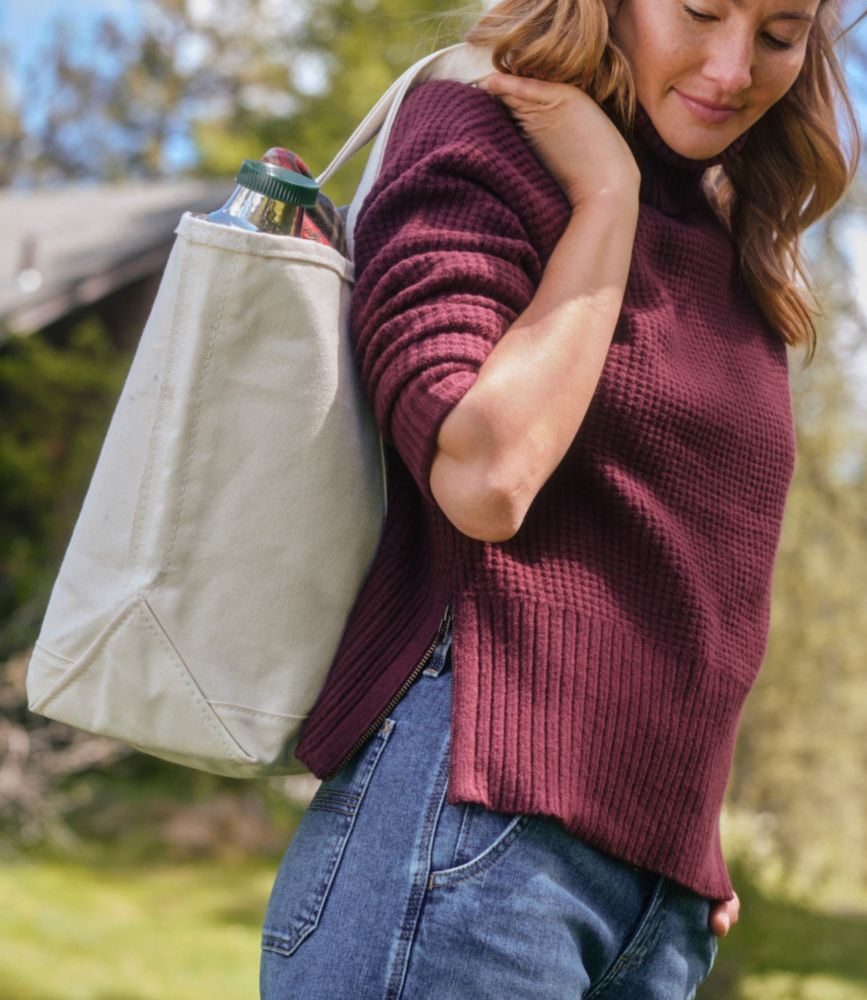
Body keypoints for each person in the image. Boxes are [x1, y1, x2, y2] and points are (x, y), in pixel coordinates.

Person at [260, 0, 859, 997]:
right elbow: (486, 479)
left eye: (780, 34)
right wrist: (606, 201)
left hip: (654, 905)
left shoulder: (729, 232)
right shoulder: (484, 130)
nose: (730, 66)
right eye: (701, 11)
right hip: (469, 846)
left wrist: (684, 822)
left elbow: (688, 564)